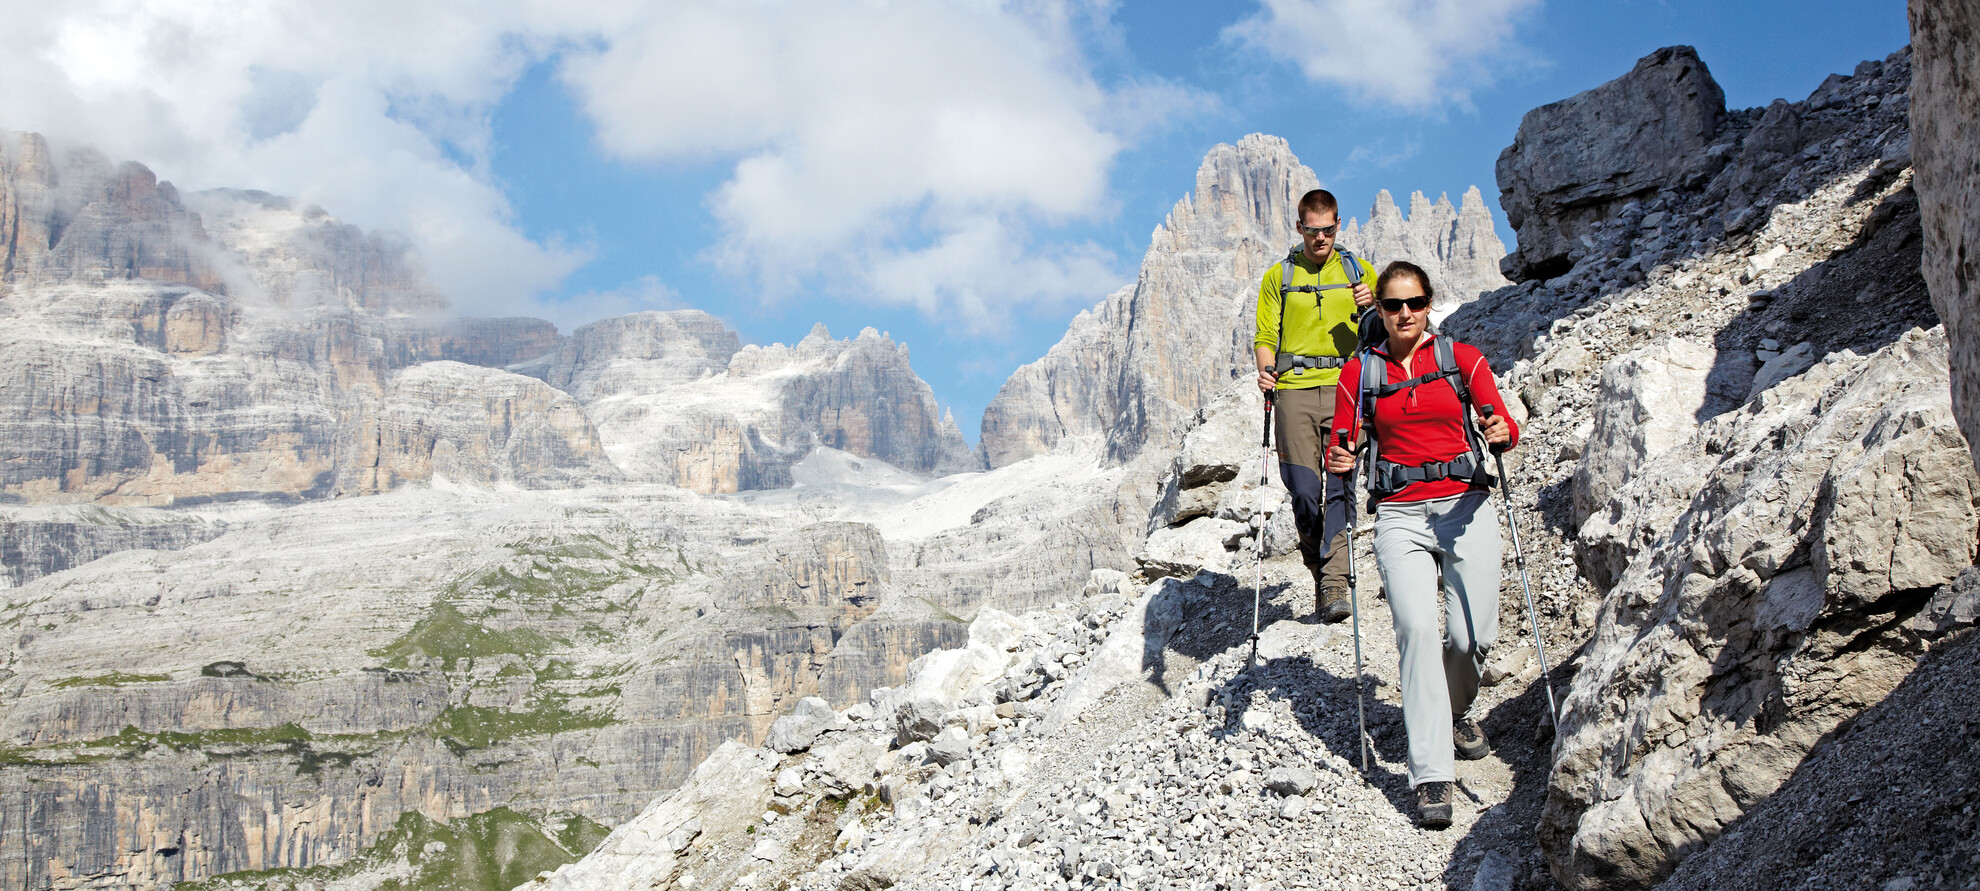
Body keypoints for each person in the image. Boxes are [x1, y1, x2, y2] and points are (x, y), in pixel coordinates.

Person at [1325, 260, 1518, 830]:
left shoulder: (1462, 359)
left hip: (1466, 506)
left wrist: (1503, 431)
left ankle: (1454, 710)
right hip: (1400, 515)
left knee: (1472, 635)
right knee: (1415, 630)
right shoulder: (1358, 374)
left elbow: (1501, 420)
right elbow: (1345, 443)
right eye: (1392, 306)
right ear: (1378, 311)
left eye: (1413, 303)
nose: (1403, 314)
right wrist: (1342, 458)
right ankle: (1432, 773)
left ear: (1429, 304)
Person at [1254, 188, 1376, 624]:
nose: (1320, 237)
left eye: (1328, 229)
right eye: (1312, 230)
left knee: (1341, 485)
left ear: (1338, 224)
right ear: (1299, 227)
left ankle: (1334, 583)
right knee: (1304, 492)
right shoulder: (1278, 276)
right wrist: (1267, 372)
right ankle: (1316, 563)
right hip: (1294, 391)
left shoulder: (1359, 272)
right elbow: (1265, 337)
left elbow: (1387, 331)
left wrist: (1373, 305)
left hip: (1348, 389)